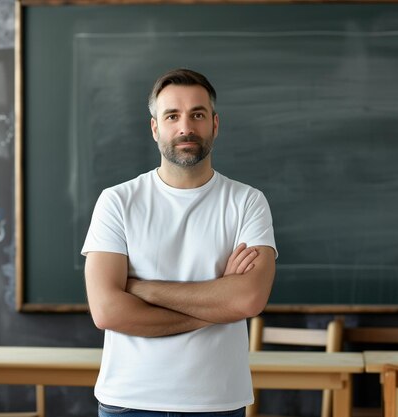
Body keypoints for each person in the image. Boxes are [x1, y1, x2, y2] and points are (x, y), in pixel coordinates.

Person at [81, 68, 277, 417]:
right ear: (156, 128)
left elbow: (248, 298)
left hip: (217, 402)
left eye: (197, 115)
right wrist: (219, 302)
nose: (185, 127)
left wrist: (143, 289)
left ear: (215, 124)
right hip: (128, 401)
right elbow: (107, 310)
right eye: (172, 116)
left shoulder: (247, 202)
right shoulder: (117, 201)